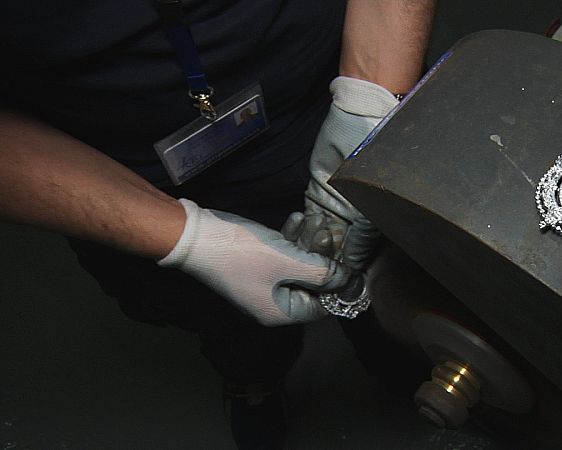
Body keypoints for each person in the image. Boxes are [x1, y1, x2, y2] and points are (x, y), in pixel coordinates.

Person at [0, 0, 436, 448]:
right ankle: (254, 378)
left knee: (387, 277)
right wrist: (195, 243)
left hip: (331, 91)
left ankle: (390, 350)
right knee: (223, 319)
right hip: (121, 180)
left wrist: (366, 111)